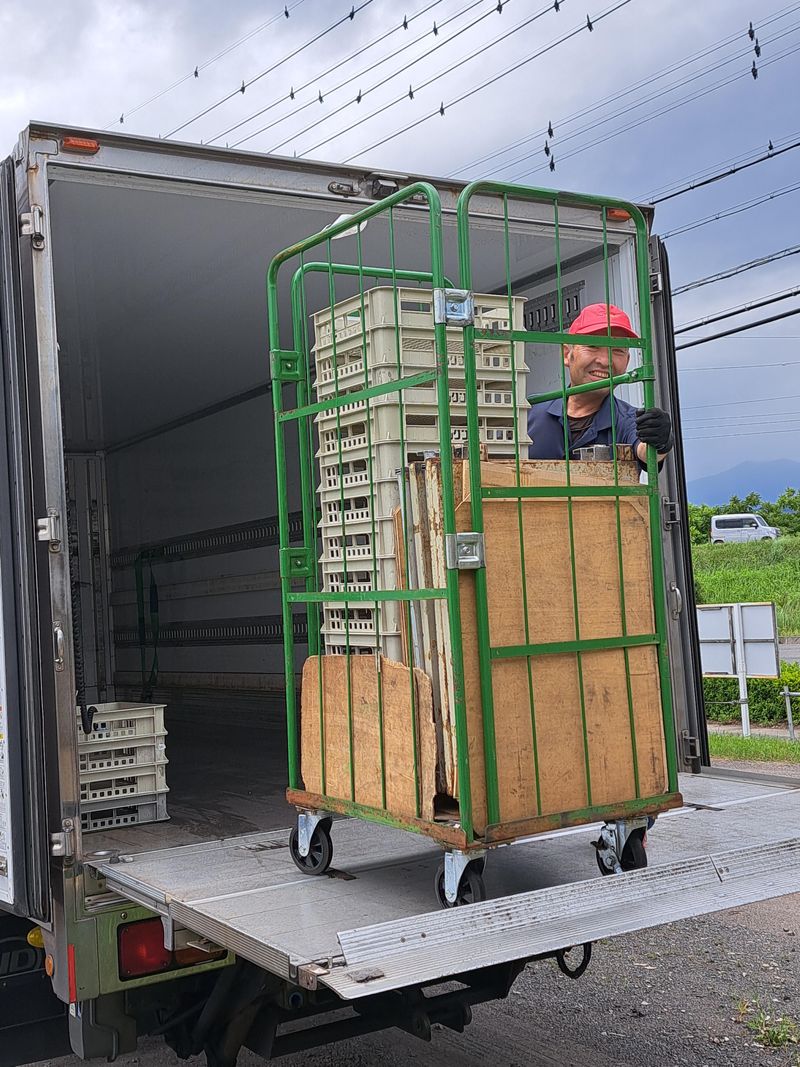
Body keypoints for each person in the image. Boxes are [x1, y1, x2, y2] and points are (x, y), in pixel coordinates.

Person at [528, 303, 673, 464]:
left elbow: (647, 452)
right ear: (567, 354)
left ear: (627, 361)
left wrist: (661, 440)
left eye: (617, 349)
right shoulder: (528, 411)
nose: (605, 361)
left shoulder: (631, 420)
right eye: (592, 346)